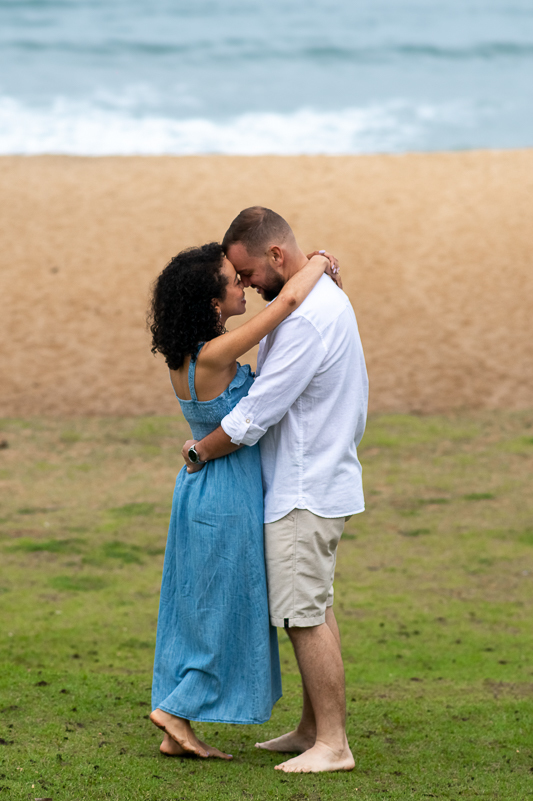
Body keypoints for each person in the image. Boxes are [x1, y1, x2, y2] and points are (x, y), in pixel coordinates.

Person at [182, 207, 367, 774]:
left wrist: (201, 450)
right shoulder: (311, 300)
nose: (245, 285)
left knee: (304, 614)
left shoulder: (308, 315)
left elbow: (258, 411)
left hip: (304, 487)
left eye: (247, 273)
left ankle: (333, 744)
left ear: (276, 257)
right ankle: (312, 728)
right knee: (312, 606)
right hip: (313, 481)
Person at [147, 241, 339, 760]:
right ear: (212, 302)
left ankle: (176, 723)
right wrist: (320, 262)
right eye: (234, 281)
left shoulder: (185, 357)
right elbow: (287, 307)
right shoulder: (215, 352)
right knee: (222, 607)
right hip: (226, 491)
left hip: (198, 487)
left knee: (198, 603)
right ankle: (175, 708)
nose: (243, 286)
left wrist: (195, 450)